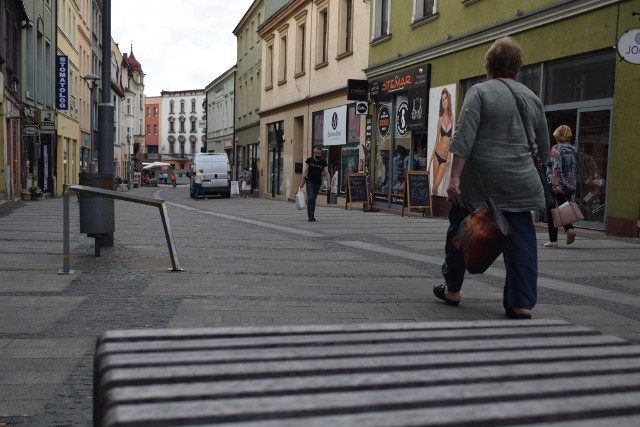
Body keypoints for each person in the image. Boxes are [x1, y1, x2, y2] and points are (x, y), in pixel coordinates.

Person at [432, 37, 550, 320]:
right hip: (521, 184)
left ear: (489, 65)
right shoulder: (532, 98)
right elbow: (544, 148)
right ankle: (520, 303)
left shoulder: (480, 92)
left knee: (461, 233)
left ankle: (453, 289)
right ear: (517, 66)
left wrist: (454, 179)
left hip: (481, 185)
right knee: (522, 243)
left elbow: (462, 139)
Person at [544, 125, 578, 248]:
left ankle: (553, 240)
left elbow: (556, 169)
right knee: (564, 208)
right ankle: (570, 229)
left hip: (556, 183)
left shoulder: (556, 149)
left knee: (551, 210)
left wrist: (555, 184)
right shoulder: (573, 149)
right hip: (569, 183)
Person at [429, 88, 454, 196]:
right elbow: (436, 140)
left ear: (449, 100)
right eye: (442, 100)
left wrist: (449, 156)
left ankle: (433, 206)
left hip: (444, 158)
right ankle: (432, 208)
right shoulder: (440, 120)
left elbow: (451, 139)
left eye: (445, 99)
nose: (444, 101)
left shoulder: (452, 118)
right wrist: (430, 160)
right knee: (434, 186)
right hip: (437, 155)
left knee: (436, 185)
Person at [299, 146, 331, 222]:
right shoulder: (309, 160)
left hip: (317, 183)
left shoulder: (323, 162)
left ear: (321, 153)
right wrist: (302, 183)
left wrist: (329, 183)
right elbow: (305, 172)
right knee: (311, 198)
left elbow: (327, 172)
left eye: (319, 153)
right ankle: (310, 216)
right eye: (316, 153)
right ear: (314, 153)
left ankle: (312, 214)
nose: (317, 154)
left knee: (313, 199)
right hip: (309, 181)